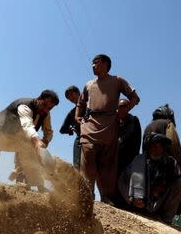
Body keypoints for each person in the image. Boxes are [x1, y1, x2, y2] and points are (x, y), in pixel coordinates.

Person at [76, 54, 140, 204]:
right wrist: (78, 117)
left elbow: (135, 98)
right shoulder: (88, 85)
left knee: (107, 164)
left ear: (106, 64)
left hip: (110, 126)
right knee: (88, 157)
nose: (93, 66)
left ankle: (106, 197)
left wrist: (121, 114)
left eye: (96, 63)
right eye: (92, 63)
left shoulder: (118, 80)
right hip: (90, 124)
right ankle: (86, 195)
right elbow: (81, 102)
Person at [0, 90, 58, 192]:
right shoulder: (25, 106)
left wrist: (46, 140)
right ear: (39, 99)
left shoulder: (45, 113)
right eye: (45, 105)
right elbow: (27, 125)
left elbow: (48, 131)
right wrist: (37, 141)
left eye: (49, 108)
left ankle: (39, 185)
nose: (46, 109)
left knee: (30, 148)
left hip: (14, 141)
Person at [118, 133, 181, 224]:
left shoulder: (170, 162)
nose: (157, 150)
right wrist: (131, 198)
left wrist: (164, 187)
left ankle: (166, 219)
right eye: (154, 146)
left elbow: (179, 184)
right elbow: (122, 181)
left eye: (160, 147)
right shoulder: (138, 161)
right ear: (148, 147)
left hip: (160, 203)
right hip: (139, 205)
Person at [143, 104, 181, 173]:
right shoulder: (168, 123)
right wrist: (180, 162)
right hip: (166, 166)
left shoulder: (147, 127)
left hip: (148, 167)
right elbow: (174, 143)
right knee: (180, 183)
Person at [117, 99, 141, 177]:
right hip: (116, 160)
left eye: (124, 107)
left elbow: (137, 141)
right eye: (120, 107)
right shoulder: (115, 122)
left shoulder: (134, 120)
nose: (121, 109)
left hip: (130, 160)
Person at [60, 86, 82, 169]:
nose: (70, 98)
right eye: (68, 97)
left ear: (78, 93)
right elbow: (62, 130)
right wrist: (70, 130)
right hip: (80, 139)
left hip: (96, 136)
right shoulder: (72, 113)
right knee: (77, 167)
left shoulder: (91, 106)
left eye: (72, 94)